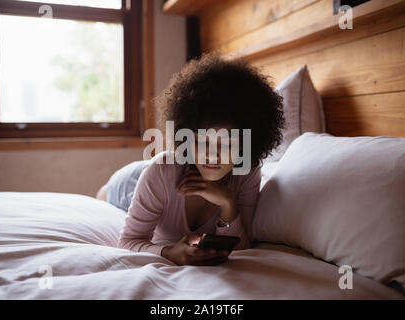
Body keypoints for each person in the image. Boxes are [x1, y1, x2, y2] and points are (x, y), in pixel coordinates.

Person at [96, 53, 284, 266]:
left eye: (227, 143)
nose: (211, 155)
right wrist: (168, 252)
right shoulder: (160, 171)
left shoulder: (247, 172)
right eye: (201, 141)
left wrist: (228, 202)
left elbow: (241, 245)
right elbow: (128, 241)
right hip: (137, 178)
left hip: (162, 180)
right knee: (107, 193)